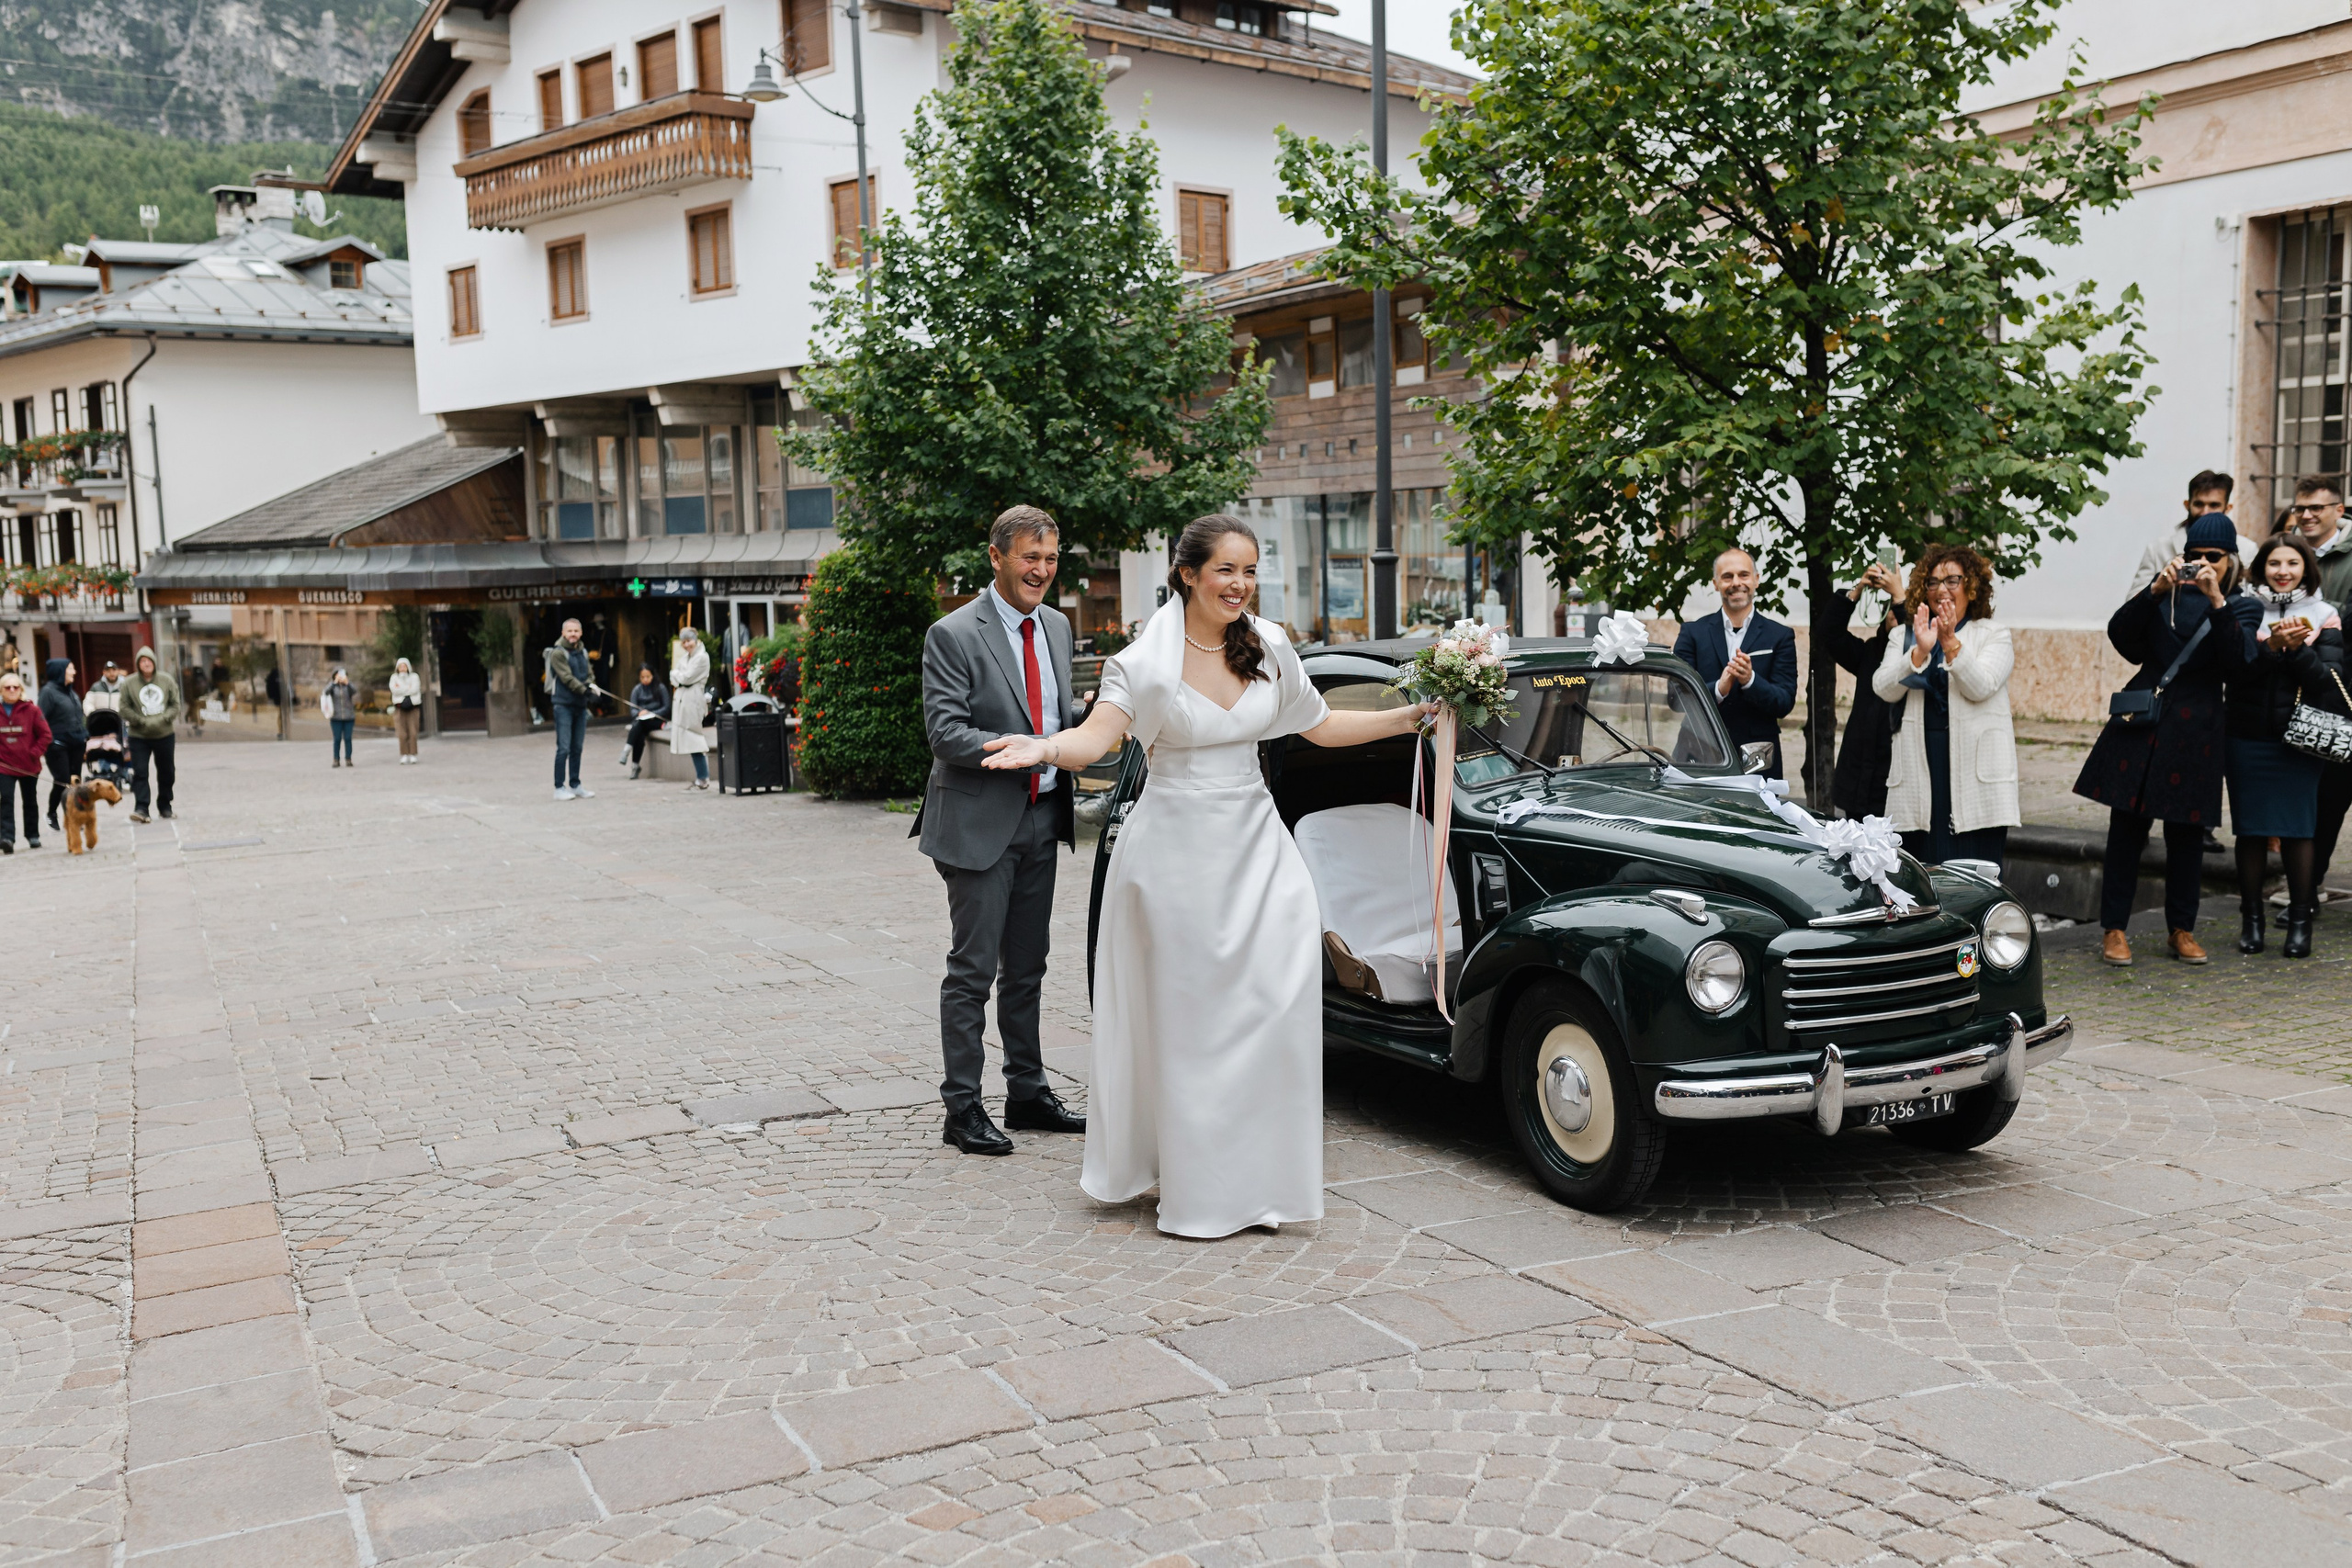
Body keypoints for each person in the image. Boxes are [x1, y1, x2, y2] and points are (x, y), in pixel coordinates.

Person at [984, 513, 1438, 1237]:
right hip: (1174, 859)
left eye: (1251, 569)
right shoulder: (1142, 663)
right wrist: (1041, 747)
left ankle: (1262, 1183)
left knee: (1271, 1015)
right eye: (1227, 569)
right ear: (1188, 573)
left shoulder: (1274, 646)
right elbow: (1095, 740)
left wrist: (1412, 716)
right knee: (1193, 1028)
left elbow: (1318, 725)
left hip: (1259, 855)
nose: (1241, 584)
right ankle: (1198, 1188)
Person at [913, 506, 1091, 1156]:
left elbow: (1055, 714)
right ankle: (962, 1108)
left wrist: (1088, 725)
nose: (1041, 569)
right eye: (1029, 557)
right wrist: (1031, 744)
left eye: (1050, 557)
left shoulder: (1059, 626)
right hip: (978, 825)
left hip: (1044, 819)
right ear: (997, 557)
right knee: (972, 971)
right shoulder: (954, 633)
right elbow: (946, 732)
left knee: (1028, 969)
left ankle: (1027, 1094)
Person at [2075, 513, 2261, 965]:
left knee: (2186, 837)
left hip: (2197, 728)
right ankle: (2114, 930)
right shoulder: (2164, 596)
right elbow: (2122, 638)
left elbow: (2239, 665)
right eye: (2194, 555)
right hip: (2144, 722)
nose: (2201, 564)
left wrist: (2217, 600)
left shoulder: (2242, 604)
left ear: (2231, 558)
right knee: (2126, 833)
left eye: (2212, 557)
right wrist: (2154, 591)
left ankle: (2182, 929)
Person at [2224, 534, 2345, 958]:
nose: (2283, 571)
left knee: (2298, 832)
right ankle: (2251, 922)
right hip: (2246, 738)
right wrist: (2270, 647)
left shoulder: (2324, 614)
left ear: (2306, 569)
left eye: (2292, 563)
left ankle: (2299, 923)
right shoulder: (2242, 609)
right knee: (2251, 831)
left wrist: (2296, 652)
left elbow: (2329, 685)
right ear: (2261, 568)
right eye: (2274, 563)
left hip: (2299, 743)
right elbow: (2233, 674)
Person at [1872, 545, 2019, 869]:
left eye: (1953, 580)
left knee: (1974, 882)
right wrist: (1918, 655)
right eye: (1933, 582)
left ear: (1972, 586)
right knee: (1922, 881)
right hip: (1919, 775)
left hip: (1974, 779)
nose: (1942, 590)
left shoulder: (1993, 634)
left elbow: (1981, 686)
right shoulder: (1904, 635)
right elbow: (1883, 688)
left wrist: (1951, 643)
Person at [1673, 547, 1798, 778]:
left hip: (1758, 760)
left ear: (1756, 580)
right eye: (1727, 576)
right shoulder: (1692, 632)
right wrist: (1718, 689)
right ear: (1715, 583)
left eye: (1743, 575)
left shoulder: (1779, 636)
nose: (1736, 583)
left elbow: (1784, 702)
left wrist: (1750, 680)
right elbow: (1675, 699)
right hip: (1698, 754)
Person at [2285, 477, 2352, 908]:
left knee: (2336, 793)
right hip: (2308, 692)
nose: (2307, 515)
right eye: (2301, 508)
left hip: (2347, 692)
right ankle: (2307, 891)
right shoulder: (2288, 554)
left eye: (2318, 508)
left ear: (2339, 511)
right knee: (2322, 799)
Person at [1829, 560, 1903, 820]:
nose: (1895, 611)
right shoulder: (1871, 652)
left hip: (1895, 784)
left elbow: (1911, 640)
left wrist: (1900, 598)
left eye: (1901, 606)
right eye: (1890, 608)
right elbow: (1831, 636)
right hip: (1857, 780)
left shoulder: (1921, 655)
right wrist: (1857, 591)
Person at [2126, 469, 2258, 598]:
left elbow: (2249, 597)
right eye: (2199, 504)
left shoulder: (2246, 549)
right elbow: (2132, 602)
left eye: (2214, 505)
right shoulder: (2158, 549)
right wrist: (2158, 587)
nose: (2205, 512)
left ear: (2228, 508)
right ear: (2187, 505)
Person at [123, 646, 181, 824]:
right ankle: (141, 808)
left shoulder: (166, 680)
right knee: (140, 772)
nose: (146, 664)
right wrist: (140, 721)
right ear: (138, 664)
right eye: (142, 661)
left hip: (164, 734)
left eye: (148, 660)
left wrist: (162, 719)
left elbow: (175, 705)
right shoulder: (129, 683)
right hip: (139, 736)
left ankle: (165, 806)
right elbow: (123, 707)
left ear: (154, 662)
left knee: (167, 771)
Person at [544, 619, 597, 802]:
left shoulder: (583, 651)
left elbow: (589, 673)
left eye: (576, 631)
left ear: (581, 633)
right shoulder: (557, 653)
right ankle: (559, 787)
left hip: (580, 706)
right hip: (563, 705)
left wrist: (591, 686)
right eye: (570, 631)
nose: (573, 634)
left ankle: (575, 785)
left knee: (577, 747)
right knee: (564, 748)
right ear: (563, 632)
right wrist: (585, 691)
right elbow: (566, 677)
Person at [0, 670, 51, 853]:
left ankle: (33, 835)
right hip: (4, 766)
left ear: (20, 689)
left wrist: (35, 753)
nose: (12, 690)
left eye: (15, 687)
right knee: (5, 800)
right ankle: (6, 838)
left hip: (29, 766)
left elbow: (46, 735)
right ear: (2, 690)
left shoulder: (32, 710)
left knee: (30, 800)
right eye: (8, 687)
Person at [38, 659, 85, 836]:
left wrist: (84, 734)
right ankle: (51, 812)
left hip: (77, 743)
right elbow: (40, 719)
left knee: (74, 781)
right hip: (57, 744)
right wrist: (48, 740)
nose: (74, 672)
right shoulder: (48, 692)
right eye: (70, 669)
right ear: (60, 671)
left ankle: (74, 815)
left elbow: (78, 716)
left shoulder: (71, 692)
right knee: (63, 780)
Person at [669, 627, 713, 791]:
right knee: (690, 737)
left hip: (693, 700)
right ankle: (701, 777)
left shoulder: (702, 658)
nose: (687, 645)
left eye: (689, 640)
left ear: (695, 640)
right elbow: (674, 674)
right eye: (684, 642)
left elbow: (686, 678)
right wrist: (678, 677)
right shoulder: (687, 658)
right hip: (684, 701)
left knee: (695, 737)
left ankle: (703, 777)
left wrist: (678, 677)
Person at [621, 665, 670, 780]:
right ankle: (635, 766)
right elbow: (632, 709)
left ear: (653, 675)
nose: (645, 679)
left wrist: (651, 713)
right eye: (643, 677)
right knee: (639, 731)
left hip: (656, 720)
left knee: (638, 726)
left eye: (648, 676)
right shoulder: (637, 689)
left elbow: (666, 707)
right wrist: (639, 714)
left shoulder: (660, 688)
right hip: (642, 720)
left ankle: (627, 751)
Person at [389, 657, 424, 764]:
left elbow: (415, 689)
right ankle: (404, 754)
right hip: (399, 708)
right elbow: (394, 690)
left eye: (404, 666)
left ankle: (413, 753)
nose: (402, 668)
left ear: (408, 667)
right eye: (400, 666)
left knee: (413, 731)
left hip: (413, 707)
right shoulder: (394, 677)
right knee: (401, 732)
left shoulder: (414, 677)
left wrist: (402, 689)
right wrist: (407, 688)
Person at [322, 668, 358, 767]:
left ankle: (348, 758)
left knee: (348, 738)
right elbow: (325, 692)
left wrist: (348, 683)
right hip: (336, 717)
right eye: (338, 674)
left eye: (342, 674)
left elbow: (354, 691)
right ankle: (336, 759)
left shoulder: (348, 686)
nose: (340, 676)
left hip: (349, 717)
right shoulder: (333, 687)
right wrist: (334, 683)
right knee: (337, 739)